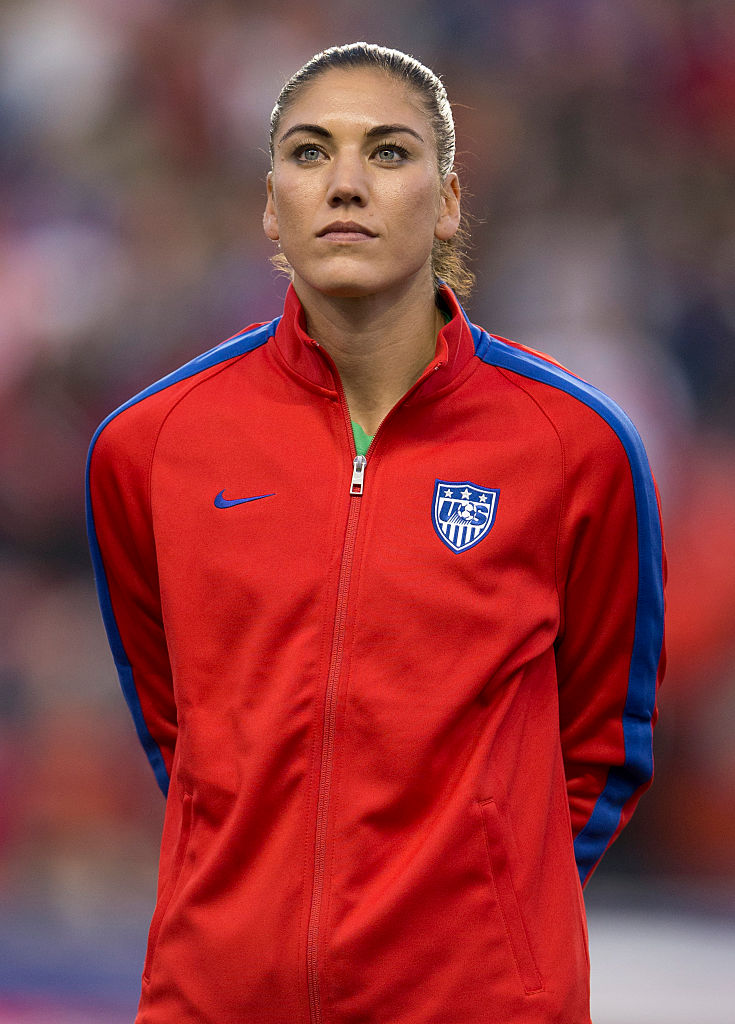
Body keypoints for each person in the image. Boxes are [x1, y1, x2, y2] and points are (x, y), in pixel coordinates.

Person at [86, 42, 666, 1024]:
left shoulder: (576, 443)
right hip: (216, 998)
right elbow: (179, 729)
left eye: (388, 153)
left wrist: (486, 909)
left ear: (445, 200)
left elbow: (608, 743)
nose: (345, 182)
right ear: (272, 206)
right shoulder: (148, 445)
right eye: (310, 153)